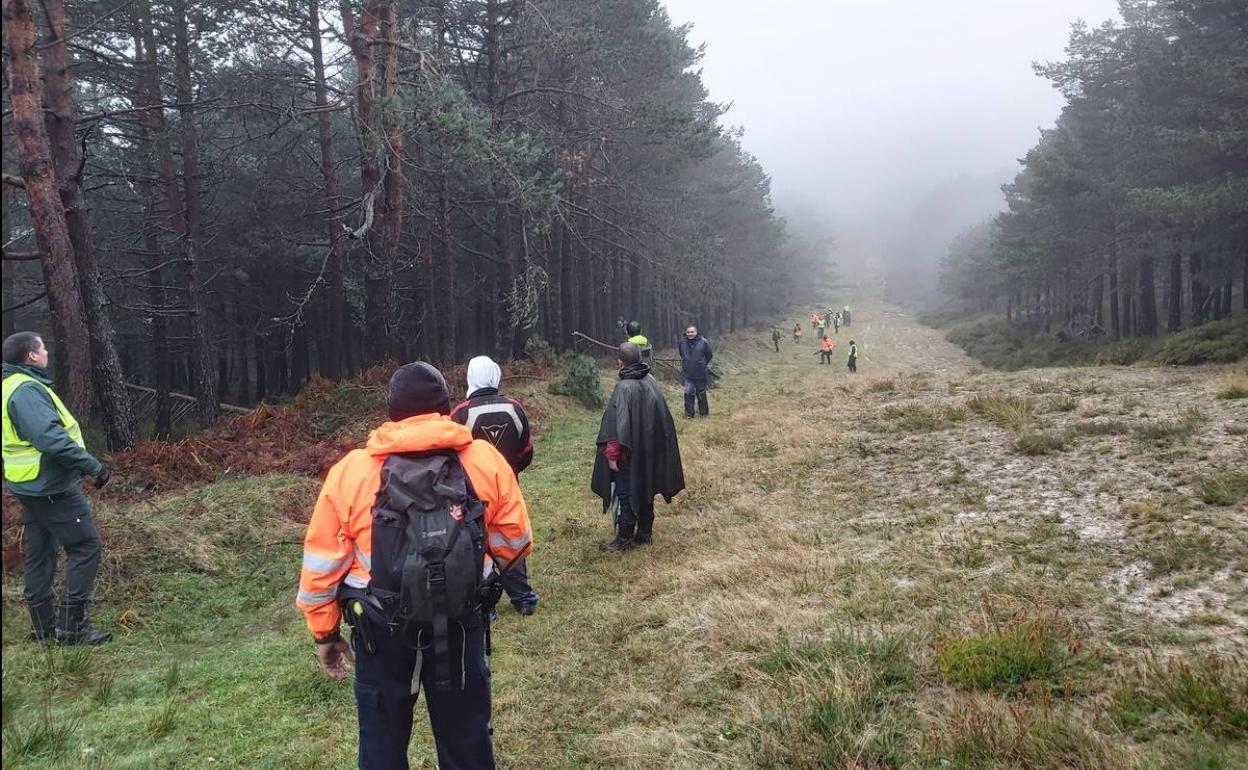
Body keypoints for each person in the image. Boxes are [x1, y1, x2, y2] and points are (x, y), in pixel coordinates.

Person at [297, 361, 533, 770]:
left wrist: (325, 634)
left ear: (391, 410)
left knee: (383, 748)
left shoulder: (350, 472)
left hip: (379, 632)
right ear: (446, 406)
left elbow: (320, 567)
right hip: (460, 624)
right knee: (467, 742)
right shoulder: (484, 461)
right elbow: (517, 542)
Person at [2, 332, 112, 645]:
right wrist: (92, 466)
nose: (47, 351)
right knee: (86, 546)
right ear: (31, 357)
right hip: (50, 484)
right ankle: (72, 628)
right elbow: (50, 439)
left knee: (39, 553)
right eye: (43, 347)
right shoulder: (26, 391)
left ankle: (43, 626)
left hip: (27, 484)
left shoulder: (8, 385)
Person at [451, 356, 538, 616]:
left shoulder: (460, 413)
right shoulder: (515, 408)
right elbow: (527, 449)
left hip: (472, 493)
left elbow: (451, 456)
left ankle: (485, 606)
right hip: (508, 487)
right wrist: (510, 472)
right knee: (510, 540)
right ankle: (523, 598)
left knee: (477, 544)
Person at [592, 343, 684, 551]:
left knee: (626, 493)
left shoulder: (624, 387)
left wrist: (612, 455)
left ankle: (624, 538)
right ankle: (645, 532)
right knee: (646, 488)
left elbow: (617, 426)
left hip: (629, 455)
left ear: (620, 362)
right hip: (648, 451)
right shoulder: (650, 380)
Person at [677, 325, 713, 418]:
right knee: (688, 393)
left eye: (692, 332)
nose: (690, 334)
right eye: (688, 332)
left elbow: (709, 355)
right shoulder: (682, 343)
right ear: (686, 333)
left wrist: (702, 364)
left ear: (696, 332)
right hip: (688, 373)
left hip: (700, 373)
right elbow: (682, 354)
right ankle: (689, 413)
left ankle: (704, 413)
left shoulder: (704, 342)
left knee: (701, 393)